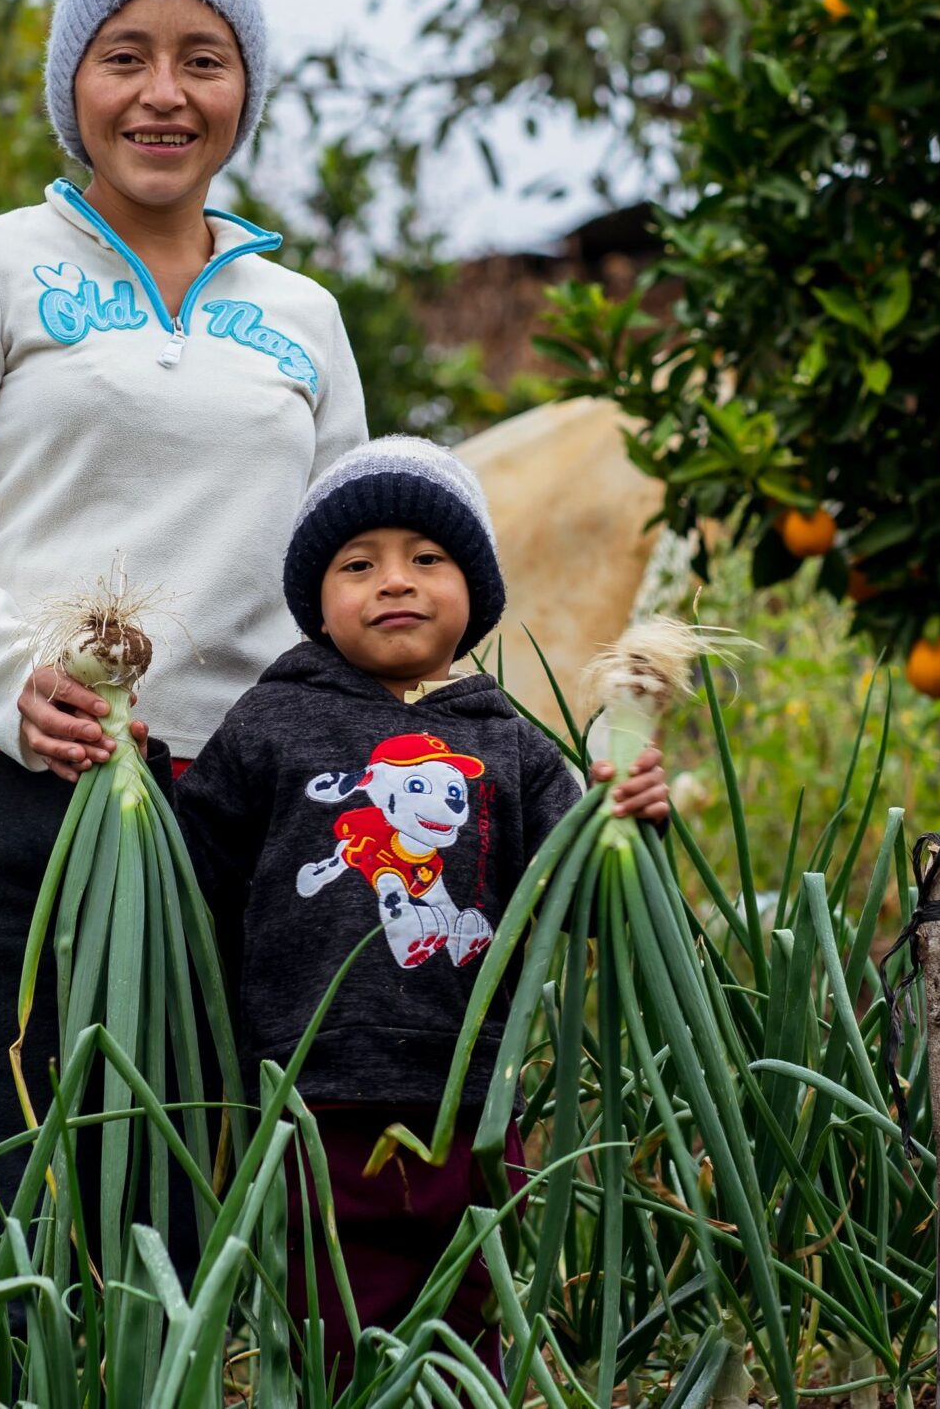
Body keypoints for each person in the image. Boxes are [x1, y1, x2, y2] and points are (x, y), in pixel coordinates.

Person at [0, 0, 368, 1285]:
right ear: (70, 84)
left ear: (242, 93)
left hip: (232, 799)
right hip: (10, 771)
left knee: (180, 1194)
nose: (163, 92)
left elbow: (347, 574)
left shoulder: (303, 315)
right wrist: (6, 676)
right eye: (124, 55)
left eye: (202, 61)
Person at [170, 436, 669, 1383]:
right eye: (358, 565)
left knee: (465, 1315)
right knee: (327, 1324)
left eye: (425, 559)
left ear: (474, 591)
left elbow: (586, 902)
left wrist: (631, 826)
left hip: (470, 1094)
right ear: (317, 602)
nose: (393, 582)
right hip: (306, 1097)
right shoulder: (272, 720)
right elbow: (194, 872)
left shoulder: (511, 743)